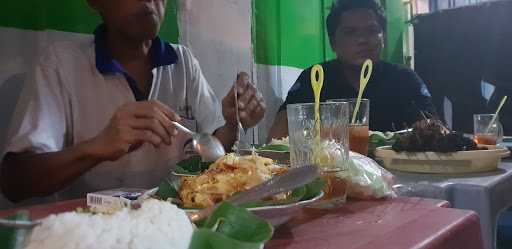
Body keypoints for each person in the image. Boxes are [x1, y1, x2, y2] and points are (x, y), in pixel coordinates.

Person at [0, 0, 265, 203]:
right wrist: (97, 147)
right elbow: (15, 181)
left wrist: (232, 122)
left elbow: (213, 148)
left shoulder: (182, 62)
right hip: (96, 231)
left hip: (174, 225)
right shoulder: (61, 65)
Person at [267, 0, 436, 140]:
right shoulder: (314, 79)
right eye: (350, 32)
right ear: (333, 42)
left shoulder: (405, 80)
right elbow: (276, 138)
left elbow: (434, 130)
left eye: (372, 31)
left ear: (383, 37)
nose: (362, 40)